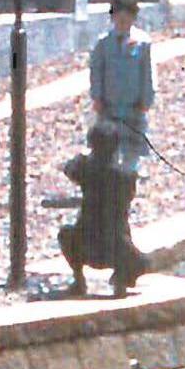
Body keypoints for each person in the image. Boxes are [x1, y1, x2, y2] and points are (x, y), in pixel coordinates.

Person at [56, 122, 149, 298]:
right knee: (142, 262)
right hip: (116, 247)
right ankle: (121, 280)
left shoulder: (87, 170)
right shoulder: (124, 177)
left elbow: (69, 169)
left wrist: (82, 158)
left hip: (85, 245)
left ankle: (79, 280)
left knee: (65, 234)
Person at [89, 0, 155, 175]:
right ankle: (111, 175)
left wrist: (147, 99)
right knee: (108, 142)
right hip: (109, 105)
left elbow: (148, 73)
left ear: (134, 18)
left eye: (127, 18)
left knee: (132, 144)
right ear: (112, 18)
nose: (123, 22)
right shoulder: (103, 43)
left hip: (133, 105)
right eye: (119, 18)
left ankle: (129, 174)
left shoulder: (143, 43)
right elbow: (96, 71)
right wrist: (97, 97)